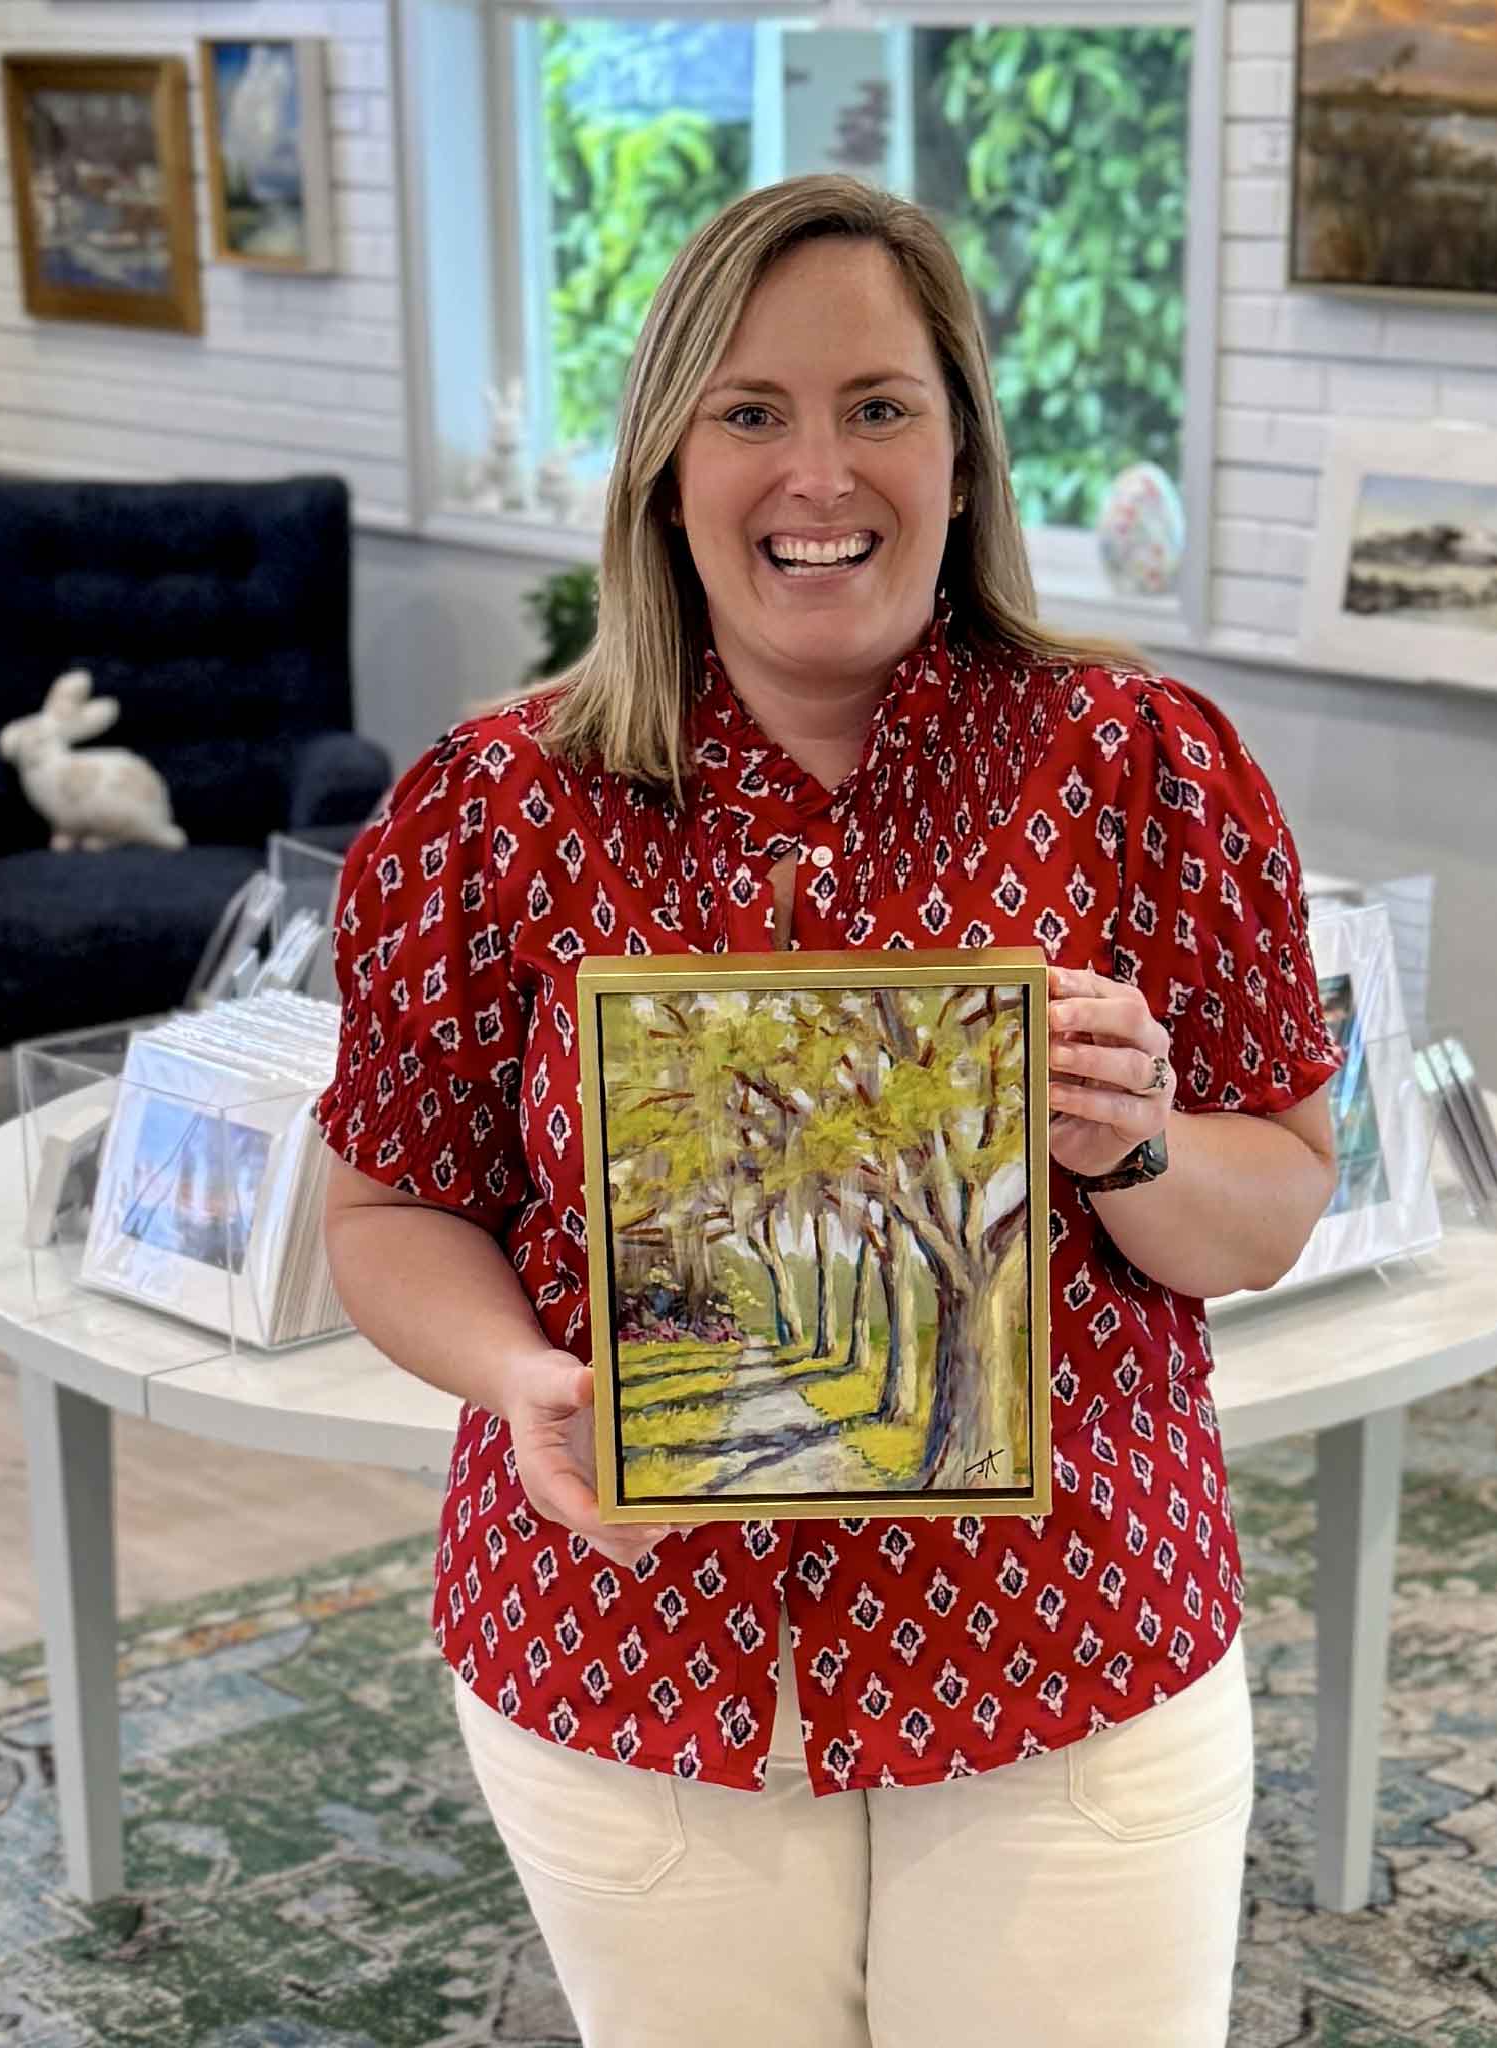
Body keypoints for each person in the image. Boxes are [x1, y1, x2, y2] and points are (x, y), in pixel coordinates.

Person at [317, 174, 1343, 2048]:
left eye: (880, 406)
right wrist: (525, 1385)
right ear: (665, 464)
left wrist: (1129, 1146)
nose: (821, 472)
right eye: (752, 410)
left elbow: (1271, 1210)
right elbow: (384, 1214)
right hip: (629, 1654)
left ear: (961, 454)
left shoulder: (1144, 769)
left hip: (1070, 1650)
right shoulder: (488, 808)